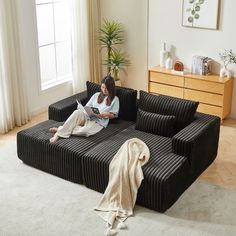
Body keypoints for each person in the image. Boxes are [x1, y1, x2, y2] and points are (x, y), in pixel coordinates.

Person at [49, 76, 119, 143]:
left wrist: (106, 114)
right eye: (103, 87)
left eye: (106, 88)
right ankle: (58, 135)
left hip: (99, 122)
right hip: (87, 116)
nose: (104, 90)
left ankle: (61, 129)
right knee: (77, 112)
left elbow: (114, 115)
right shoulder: (96, 95)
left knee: (85, 132)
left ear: (111, 88)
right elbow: (87, 107)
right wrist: (81, 108)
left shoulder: (115, 99)